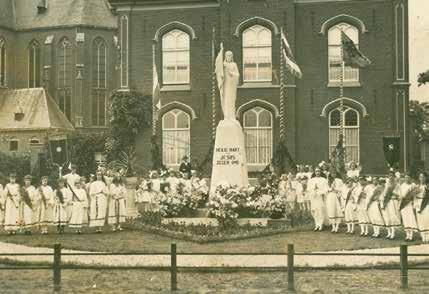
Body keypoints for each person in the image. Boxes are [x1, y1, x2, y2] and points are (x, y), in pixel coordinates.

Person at [380, 171, 402, 240]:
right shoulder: (386, 184)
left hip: (393, 201)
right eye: (389, 176)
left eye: (392, 176)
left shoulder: (397, 185)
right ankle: (389, 233)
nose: (391, 177)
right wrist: (382, 201)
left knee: (392, 216)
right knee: (387, 217)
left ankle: (393, 233)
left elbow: (400, 195)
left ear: (394, 177)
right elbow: (384, 194)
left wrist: (394, 193)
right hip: (387, 202)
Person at [399, 173, 418, 241]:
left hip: (410, 204)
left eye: (408, 177)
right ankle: (407, 235)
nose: (407, 179)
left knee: (411, 219)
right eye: (405, 177)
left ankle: (411, 236)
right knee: (405, 219)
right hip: (404, 205)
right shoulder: (402, 185)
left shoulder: (413, 185)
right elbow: (400, 195)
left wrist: (414, 203)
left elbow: (415, 196)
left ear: (411, 178)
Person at [415, 172, 429, 243]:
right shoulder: (417, 186)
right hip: (418, 203)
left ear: (426, 178)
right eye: (420, 177)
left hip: (425, 204)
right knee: (420, 220)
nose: (421, 178)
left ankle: (427, 237)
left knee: (426, 220)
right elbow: (414, 197)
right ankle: (423, 236)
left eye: (423, 177)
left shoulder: (427, 186)